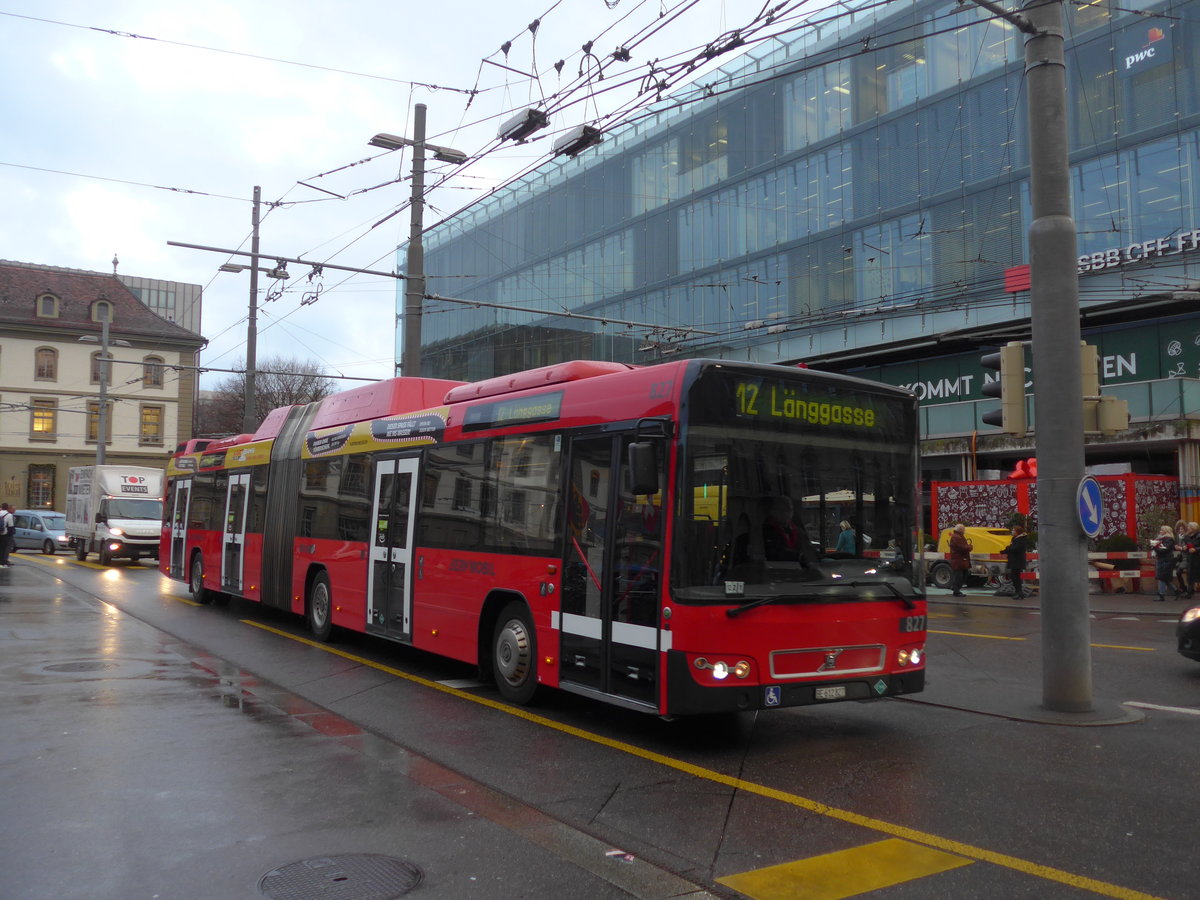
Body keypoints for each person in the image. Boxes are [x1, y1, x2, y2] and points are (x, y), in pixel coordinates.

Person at [1002, 524, 1029, 600]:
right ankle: (1018, 592)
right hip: (1013, 560)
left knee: (1016, 577)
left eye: (1013, 530)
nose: (1012, 531)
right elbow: (1011, 547)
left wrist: (1008, 549)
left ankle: (1019, 592)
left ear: (1017, 532)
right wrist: (1005, 551)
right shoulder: (1014, 539)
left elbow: (1015, 549)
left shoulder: (1021, 540)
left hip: (1017, 561)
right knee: (1014, 577)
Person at [1151, 525, 1177, 602]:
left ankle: (1161, 595)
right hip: (1161, 560)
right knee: (1163, 578)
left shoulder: (1169, 540)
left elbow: (1164, 550)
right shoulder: (1160, 539)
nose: (1160, 531)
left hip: (1166, 560)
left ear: (1166, 531)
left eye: (1162, 530)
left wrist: (1155, 547)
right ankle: (1176, 591)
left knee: (1161, 578)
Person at [947, 523, 972, 597]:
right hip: (959, 560)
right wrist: (970, 547)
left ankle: (955, 588)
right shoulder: (957, 537)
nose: (964, 530)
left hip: (959, 560)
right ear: (960, 530)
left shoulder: (957, 536)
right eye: (963, 529)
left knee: (963, 574)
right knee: (959, 576)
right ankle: (956, 591)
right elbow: (963, 547)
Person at [1186, 522, 1200, 600]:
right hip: (1191, 558)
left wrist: (1196, 549)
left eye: (1189, 527)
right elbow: (1188, 545)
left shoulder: (1198, 536)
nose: (1187, 528)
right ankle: (1189, 592)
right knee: (1190, 576)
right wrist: (1185, 547)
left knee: (1196, 575)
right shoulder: (1188, 536)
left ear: (1193, 528)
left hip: (1197, 559)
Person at [0, 503, 13, 567]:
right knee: (5, 548)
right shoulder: (9, 515)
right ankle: (3, 561)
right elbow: (10, 526)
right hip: (4, 533)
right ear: (7, 508)